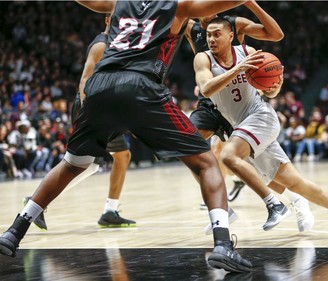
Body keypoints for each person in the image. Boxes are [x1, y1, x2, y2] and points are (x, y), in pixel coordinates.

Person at [0, 0, 253, 273]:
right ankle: (223, 245)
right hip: (141, 86)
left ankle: (14, 231)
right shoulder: (177, 6)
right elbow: (215, 6)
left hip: (100, 86)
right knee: (206, 163)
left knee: (72, 164)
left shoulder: (120, 2)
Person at [194, 17, 328, 238]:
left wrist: (275, 86)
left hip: (260, 117)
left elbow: (269, 92)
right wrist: (237, 70)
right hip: (242, 126)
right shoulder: (202, 59)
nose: (211, 39)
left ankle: (274, 205)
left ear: (230, 36)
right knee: (295, 184)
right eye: (208, 34)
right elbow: (206, 89)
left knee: (227, 156)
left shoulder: (248, 52)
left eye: (217, 34)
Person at [187, 3, 307, 232]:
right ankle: (223, 208)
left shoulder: (234, 24)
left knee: (257, 167)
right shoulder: (189, 26)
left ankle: (294, 199)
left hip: (240, 102)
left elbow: (276, 35)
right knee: (187, 146)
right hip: (211, 101)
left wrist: (251, 3)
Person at [23, 14, 136, 231]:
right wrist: (88, 111)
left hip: (106, 109)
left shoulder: (118, 44)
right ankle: (36, 200)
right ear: (107, 20)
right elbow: (86, 79)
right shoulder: (103, 44)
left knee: (116, 157)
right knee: (86, 163)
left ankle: (110, 210)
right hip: (90, 107)